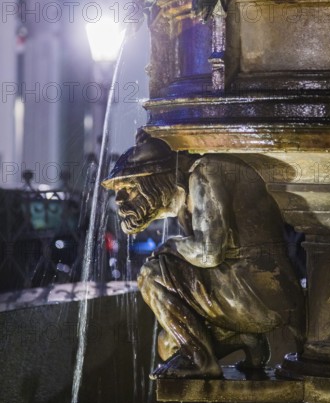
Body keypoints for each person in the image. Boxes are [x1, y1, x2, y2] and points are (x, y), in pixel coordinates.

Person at [102, 132, 304, 378]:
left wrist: (170, 245)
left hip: (256, 292)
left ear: (156, 178)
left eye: (128, 189)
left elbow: (209, 253)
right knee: (169, 344)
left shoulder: (206, 172)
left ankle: (202, 361)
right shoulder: (191, 184)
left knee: (150, 275)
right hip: (254, 291)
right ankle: (247, 339)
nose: (120, 201)